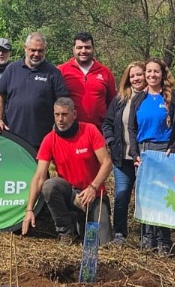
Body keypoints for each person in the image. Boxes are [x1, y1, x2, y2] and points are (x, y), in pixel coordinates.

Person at [21, 98, 114, 245]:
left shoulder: (90, 130)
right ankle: (66, 232)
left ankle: (81, 220)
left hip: (93, 194)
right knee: (49, 185)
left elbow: (107, 163)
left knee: (101, 243)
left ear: (74, 114)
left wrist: (93, 187)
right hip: (70, 194)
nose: (60, 119)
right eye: (56, 114)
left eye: (64, 114)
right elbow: (39, 177)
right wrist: (29, 210)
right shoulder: (49, 139)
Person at [127, 58, 175, 254]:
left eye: (156, 72)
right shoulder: (138, 98)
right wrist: (134, 152)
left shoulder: (172, 97)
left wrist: (174, 146)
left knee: (162, 196)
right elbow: (132, 128)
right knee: (145, 196)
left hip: (163, 151)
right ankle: (147, 239)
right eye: (148, 72)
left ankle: (164, 241)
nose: (152, 75)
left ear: (162, 74)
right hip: (144, 151)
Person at [0, 32, 69, 148]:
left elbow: (62, 101)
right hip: (12, 134)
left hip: (41, 137)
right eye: (33, 50)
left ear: (45, 50)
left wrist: (58, 124)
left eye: (40, 50)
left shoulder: (53, 72)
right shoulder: (11, 69)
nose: (36, 54)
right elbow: (0, 95)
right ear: (25, 48)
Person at [101, 61, 146, 245]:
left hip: (143, 158)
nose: (136, 78)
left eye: (139, 74)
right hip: (121, 157)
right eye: (132, 75)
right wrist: (111, 141)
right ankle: (120, 233)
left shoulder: (151, 97)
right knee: (121, 196)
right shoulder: (120, 99)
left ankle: (146, 236)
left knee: (144, 197)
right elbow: (107, 123)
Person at [58, 31, 117, 129]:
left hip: (100, 131)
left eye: (87, 47)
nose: (83, 51)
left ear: (93, 48)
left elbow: (113, 103)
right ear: (73, 49)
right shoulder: (61, 71)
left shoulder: (105, 72)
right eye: (79, 47)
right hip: (70, 131)